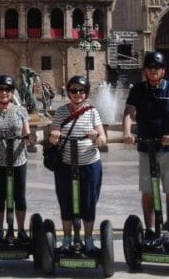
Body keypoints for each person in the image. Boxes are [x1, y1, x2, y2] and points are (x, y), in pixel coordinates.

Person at [122, 51, 169, 246]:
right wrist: (127, 132)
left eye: (156, 68)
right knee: (148, 191)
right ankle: (149, 229)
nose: (153, 71)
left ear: (163, 70)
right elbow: (128, 113)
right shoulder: (138, 89)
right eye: (150, 68)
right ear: (145, 70)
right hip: (145, 146)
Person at [47, 75, 107, 253]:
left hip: (89, 164)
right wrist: (55, 136)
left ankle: (88, 239)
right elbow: (53, 134)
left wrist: (96, 137)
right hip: (65, 165)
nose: (77, 94)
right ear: (68, 92)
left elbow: (103, 139)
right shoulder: (60, 112)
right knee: (66, 202)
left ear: (86, 93)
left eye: (81, 91)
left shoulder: (92, 111)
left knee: (88, 204)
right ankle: (66, 238)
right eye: (74, 90)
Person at [0, 75, 37, 240]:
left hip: (18, 159)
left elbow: (26, 133)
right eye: (1, 89)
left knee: (19, 195)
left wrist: (30, 138)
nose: (4, 93)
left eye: (7, 90)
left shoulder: (21, 110)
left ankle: (20, 230)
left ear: (12, 93)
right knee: (0, 195)